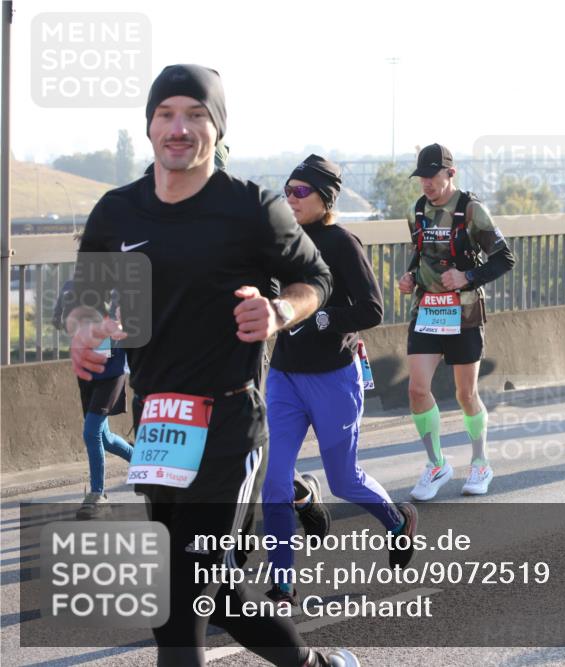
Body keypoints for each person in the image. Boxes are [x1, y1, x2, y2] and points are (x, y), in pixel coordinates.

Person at [67, 64, 358, 667]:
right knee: (216, 592)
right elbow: (88, 302)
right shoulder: (118, 213)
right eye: (167, 115)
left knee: (177, 603)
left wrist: (279, 311)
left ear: (216, 127)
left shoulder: (251, 208)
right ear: (149, 127)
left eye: (196, 115)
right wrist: (83, 331)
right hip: (157, 426)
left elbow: (318, 279)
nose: (180, 128)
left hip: (227, 424)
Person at [261, 154, 417, 611]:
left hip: (333, 378)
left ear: (324, 199)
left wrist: (325, 317)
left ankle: (397, 520)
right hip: (285, 376)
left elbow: (372, 308)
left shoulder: (341, 242)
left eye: (300, 191)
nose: (290, 198)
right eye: (286, 190)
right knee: (273, 480)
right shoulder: (279, 241)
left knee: (345, 480)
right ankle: (283, 584)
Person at [397, 144, 515, 500]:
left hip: (463, 315)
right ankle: (436, 464)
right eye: (421, 178)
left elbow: (505, 259)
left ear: (451, 173)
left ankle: (480, 461)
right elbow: (421, 256)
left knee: (466, 394)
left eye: (432, 177)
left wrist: (468, 277)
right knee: (417, 390)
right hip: (427, 312)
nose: (426, 185)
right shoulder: (417, 211)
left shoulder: (471, 210)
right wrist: (410, 278)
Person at [54, 280, 133, 519]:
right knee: (105, 438)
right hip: (87, 371)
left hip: (113, 370)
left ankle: (98, 495)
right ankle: (143, 464)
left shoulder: (120, 288)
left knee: (91, 432)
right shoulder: (70, 286)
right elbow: (59, 321)